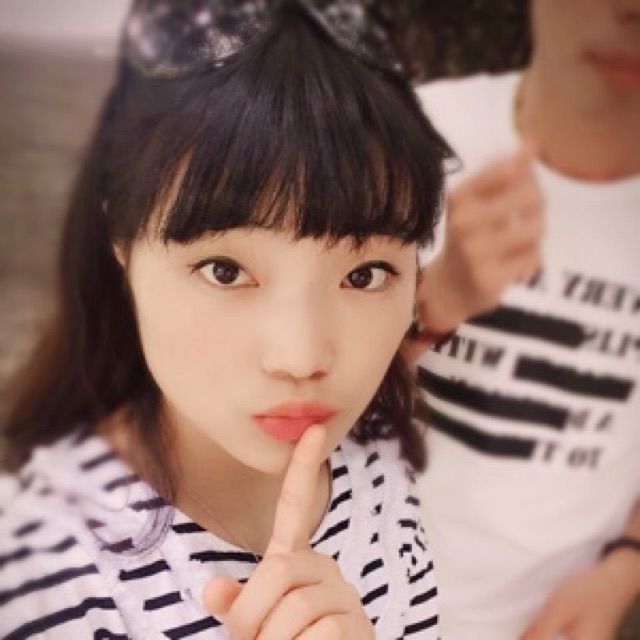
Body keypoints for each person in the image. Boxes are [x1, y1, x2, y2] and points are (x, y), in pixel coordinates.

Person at [0, 1, 451, 638]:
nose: (301, 358)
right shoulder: (47, 577)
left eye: (364, 274)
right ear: (121, 242)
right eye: (224, 270)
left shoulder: (374, 457)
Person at [409, 0, 640, 638]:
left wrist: (624, 568)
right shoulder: (403, 138)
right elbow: (277, 397)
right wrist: (432, 302)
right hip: (345, 603)